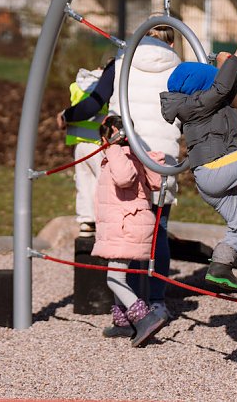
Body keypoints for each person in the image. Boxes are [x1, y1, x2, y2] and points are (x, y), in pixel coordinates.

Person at [159, 43, 237, 291]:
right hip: (212, 171)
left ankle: (220, 268)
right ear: (198, 89)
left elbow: (222, 91)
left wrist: (224, 66)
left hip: (210, 180)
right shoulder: (193, 105)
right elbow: (219, 89)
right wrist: (235, 58)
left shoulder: (199, 103)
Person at [108, 24, 181, 319]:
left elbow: (102, 102)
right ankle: (157, 301)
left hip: (128, 157)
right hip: (162, 160)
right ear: (172, 44)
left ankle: (126, 305)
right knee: (158, 231)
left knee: (125, 229)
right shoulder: (179, 70)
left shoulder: (121, 63)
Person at [92, 115, 168, 347]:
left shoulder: (122, 155)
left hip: (126, 225)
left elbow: (124, 178)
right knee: (119, 274)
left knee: (114, 278)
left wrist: (114, 147)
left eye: (103, 138)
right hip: (129, 223)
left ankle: (145, 319)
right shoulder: (135, 155)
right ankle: (123, 322)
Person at [56, 53, 115, 236]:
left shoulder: (78, 84)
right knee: (101, 181)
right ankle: (102, 218)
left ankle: (86, 220)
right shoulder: (105, 85)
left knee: (83, 182)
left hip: (79, 143)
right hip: (98, 143)